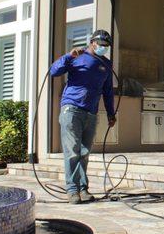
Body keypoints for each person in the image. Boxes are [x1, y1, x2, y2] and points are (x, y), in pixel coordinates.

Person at [50, 30, 116, 204]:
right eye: (101, 44)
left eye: (106, 46)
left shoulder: (107, 65)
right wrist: (67, 56)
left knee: (84, 152)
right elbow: (54, 71)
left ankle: (83, 189)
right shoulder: (76, 56)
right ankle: (72, 190)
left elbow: (108, 91)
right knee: (72, 151)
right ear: (92, 42)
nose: (104, 48)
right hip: (71, 109)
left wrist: (111, 113)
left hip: (91, 112)